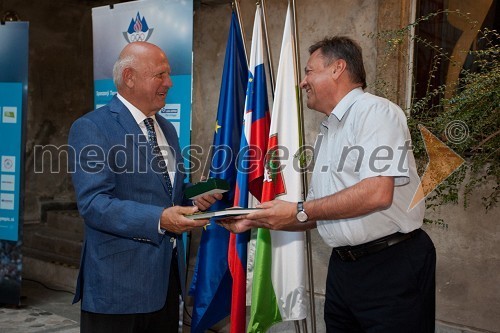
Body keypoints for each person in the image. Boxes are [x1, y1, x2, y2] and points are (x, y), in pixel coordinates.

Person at [222, 36, 436, 332]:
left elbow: (377, 193)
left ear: (338, 68)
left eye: (309, 71)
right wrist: (255, 219)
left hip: (390, 266)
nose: (302, 82)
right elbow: (318, 211)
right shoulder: (329, 128)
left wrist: (300, 210)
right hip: (344, 270)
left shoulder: (375, 113)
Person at [68, 41, 221, 333]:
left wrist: (194, 194)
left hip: (165, 283)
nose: (169, 82)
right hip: (118, 288)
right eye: (160, 75)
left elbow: (168, 189)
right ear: (129, 77)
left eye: (168, 74)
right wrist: (160, 219)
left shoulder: (167, 128)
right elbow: (94, 203)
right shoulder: (92, 128)